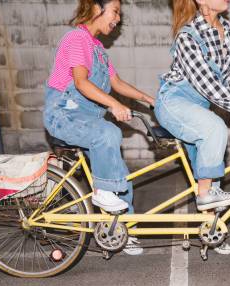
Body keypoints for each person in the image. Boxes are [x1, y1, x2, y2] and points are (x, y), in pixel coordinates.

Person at [43, 0, 155, 255]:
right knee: (109, 133)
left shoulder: (99, 51)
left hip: (85, 119)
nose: (118, 19)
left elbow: (117, 83)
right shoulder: (75, 39)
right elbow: (81, 83)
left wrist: (150, 100)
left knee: (119, 173)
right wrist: (114, 106)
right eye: (115, 12)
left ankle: (122, 231)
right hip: (64, 114)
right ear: (96, 8)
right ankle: (103, 192)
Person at [155, 0, 230, 213]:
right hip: (174, 103)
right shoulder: (187, 36)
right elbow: (206, 81)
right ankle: (204, 196)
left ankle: (211, 230)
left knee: (211, 170)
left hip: (198, 107)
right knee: (215, 128)